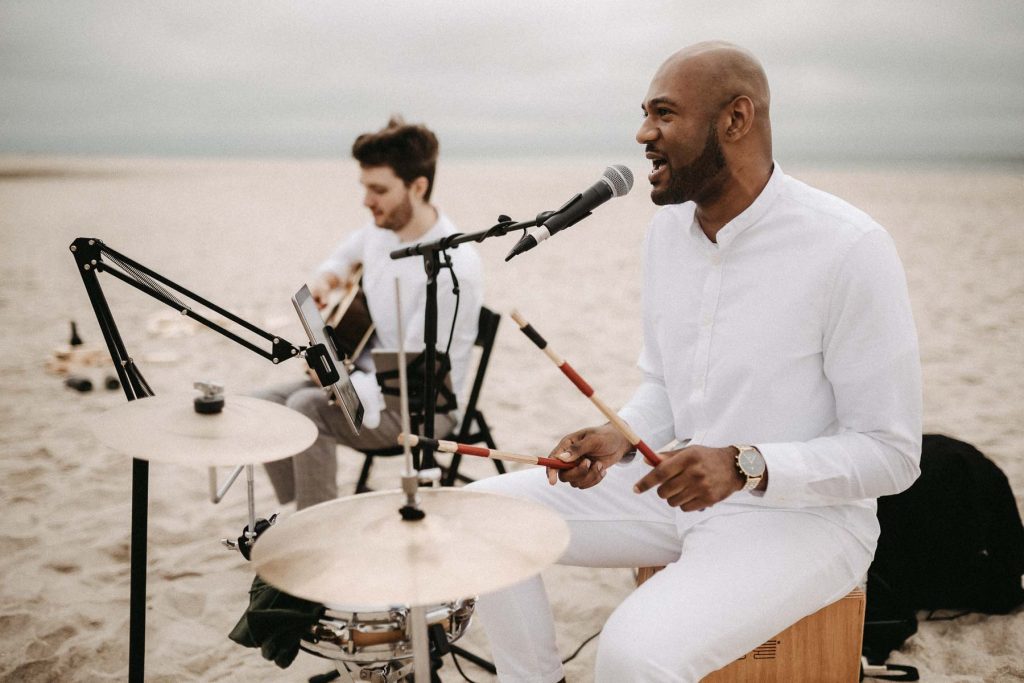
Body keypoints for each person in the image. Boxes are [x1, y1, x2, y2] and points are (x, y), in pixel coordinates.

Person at [467, 41, 921, 682]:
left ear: (735, 119)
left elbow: (893, 455)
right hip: (675, 490)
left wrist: (743, 464)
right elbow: (667, 388)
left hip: (807, 523)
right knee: (483, 518)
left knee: (632, 655)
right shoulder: (666, 237)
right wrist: (620, 436)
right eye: (646, 114)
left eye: (664, 114)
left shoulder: (850, 248)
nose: (643, 133)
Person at [258, 117, 483, 510]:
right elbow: (343, 256)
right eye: (364, 187)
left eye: (378, 190)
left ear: (418, 186)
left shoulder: (452, 270)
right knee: (262, 405)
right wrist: (328, 279)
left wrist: (336, 379)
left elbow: (408, 381)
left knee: (306, 410)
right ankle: (295, 511)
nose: (366, 200)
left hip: (420, 405)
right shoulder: (381, 228)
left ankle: (316, 535)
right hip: (367, 376)